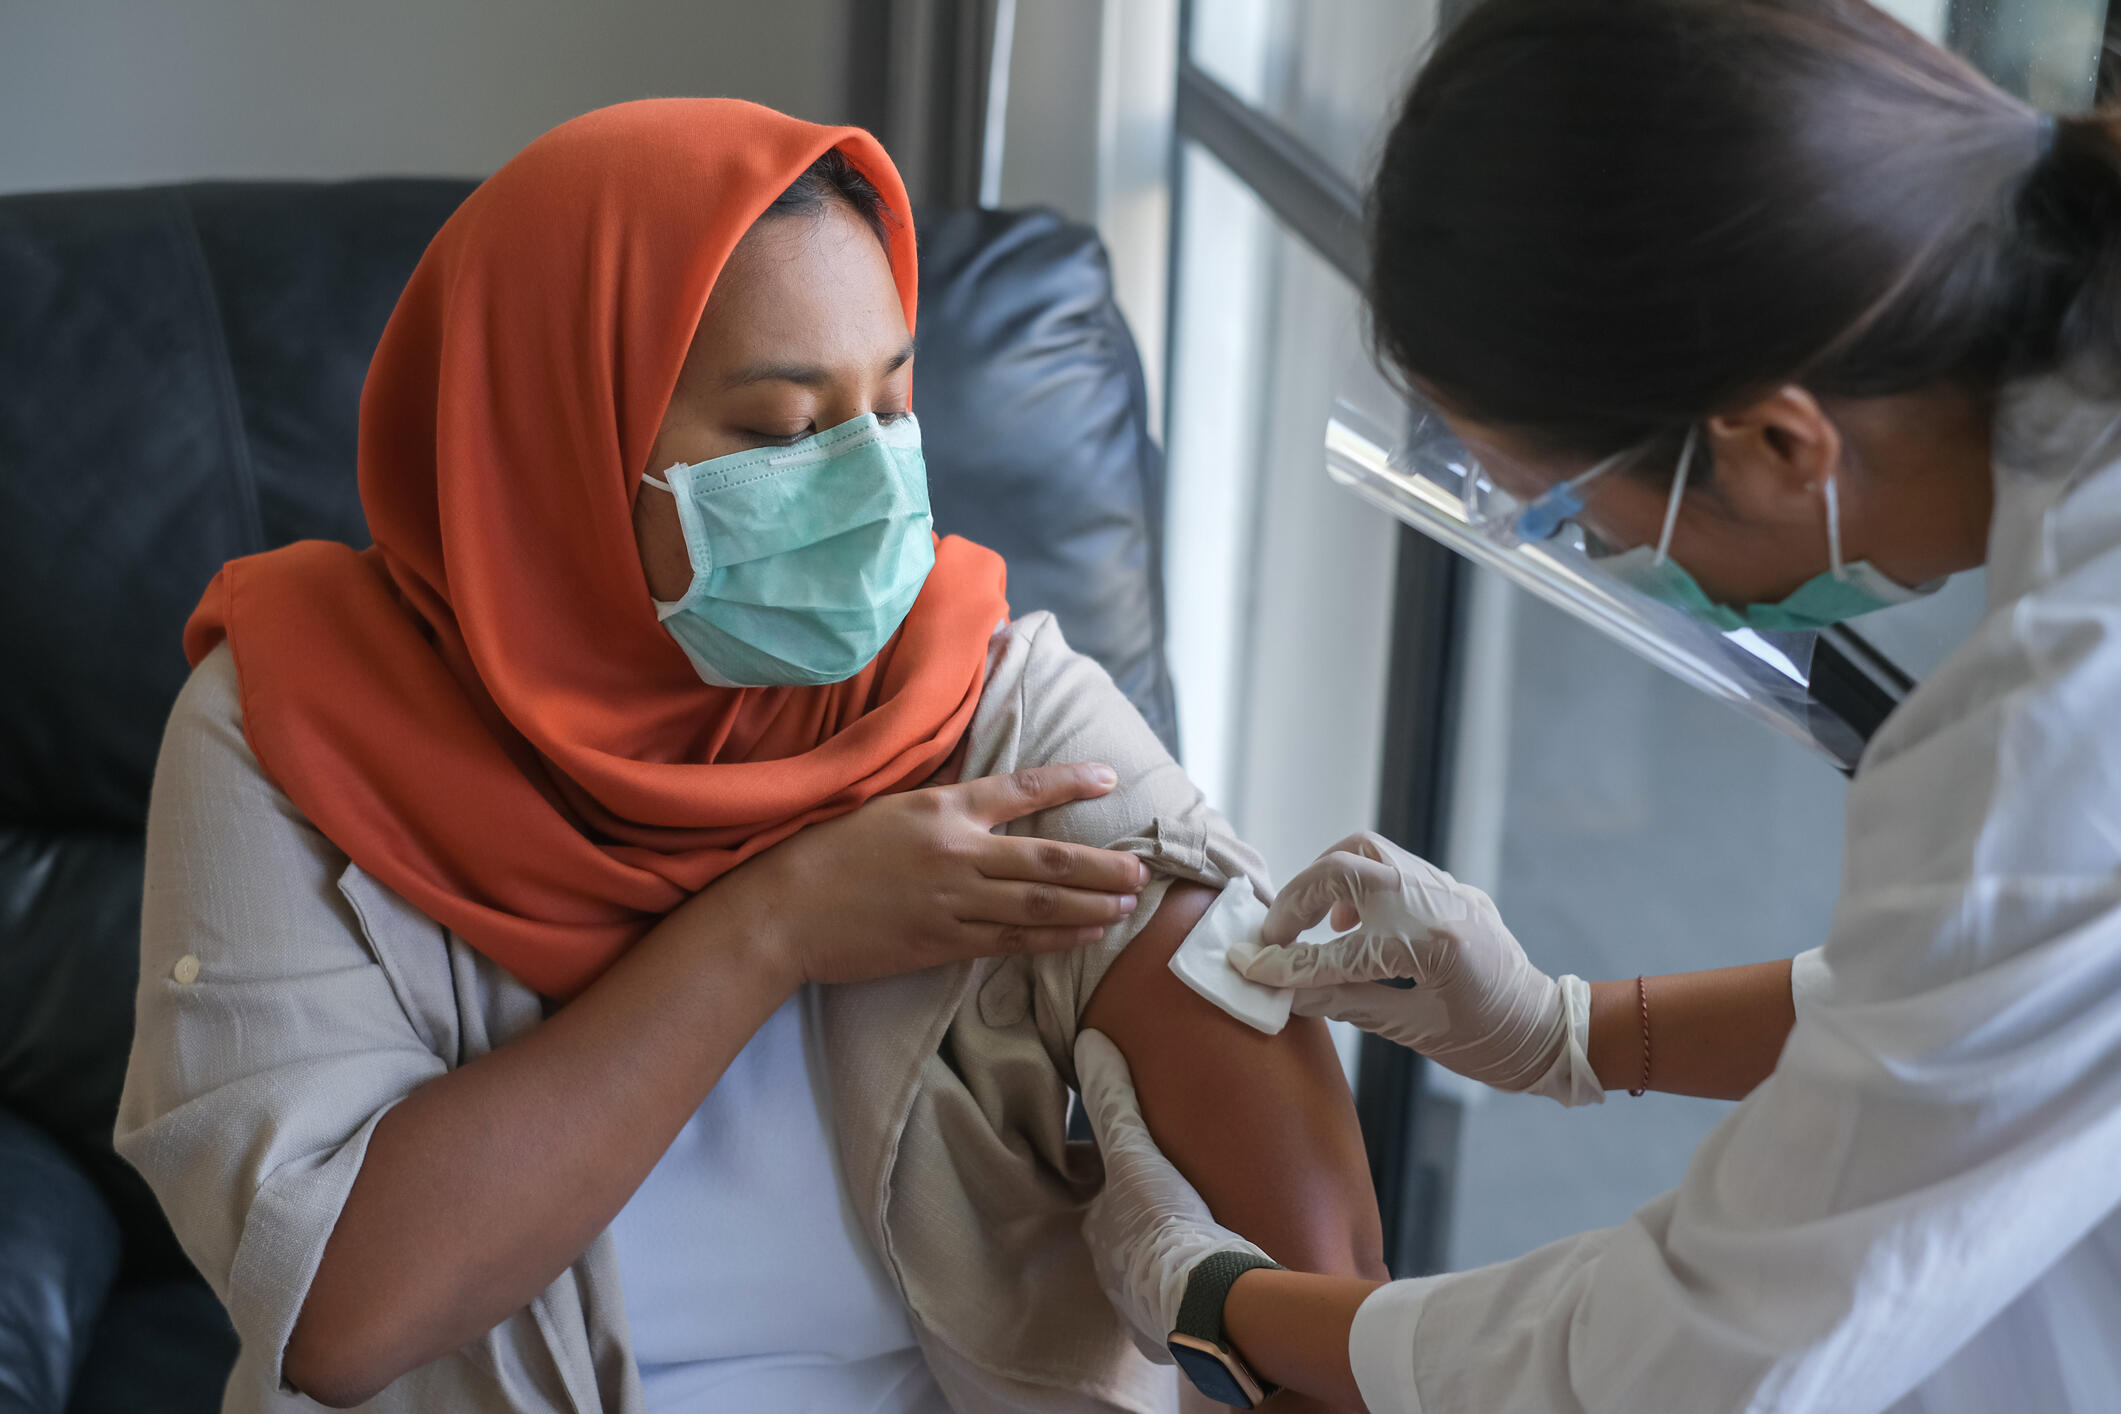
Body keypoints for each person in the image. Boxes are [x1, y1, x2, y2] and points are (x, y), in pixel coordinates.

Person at [115, 99, 1384, 1413]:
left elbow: (1239, 1047)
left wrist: (1317, 1341)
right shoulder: (294, 730)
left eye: (889, 402)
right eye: (781, 432)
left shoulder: (966, 682)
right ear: (550, 443)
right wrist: (769, 928)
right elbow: (339, 1309)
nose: (868, 489)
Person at [1071, 0, 2121, 1409]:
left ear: (1772, 440)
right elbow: (2000, 1003)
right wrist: (1574, 1030)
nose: (1603, 556)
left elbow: (1697, 1359)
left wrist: (1219, 1300)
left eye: (1568, 516)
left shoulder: (2057, 724)